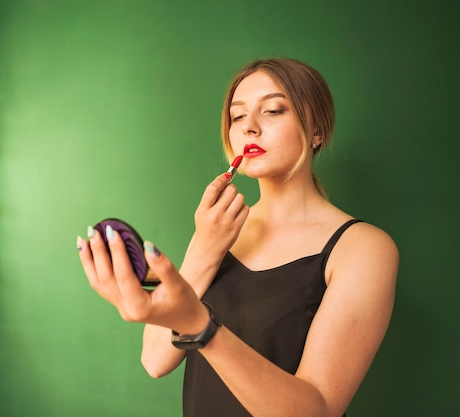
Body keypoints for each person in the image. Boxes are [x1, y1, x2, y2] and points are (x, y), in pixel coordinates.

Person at [77, 58, 399, 417]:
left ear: (317, 130)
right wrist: (204, 248)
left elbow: (318, 410)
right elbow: (155, 360)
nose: (250, 128)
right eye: (237, 116)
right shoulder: (219, 230)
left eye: (274, 110)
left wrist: (200, 326)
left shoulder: (363, 248)